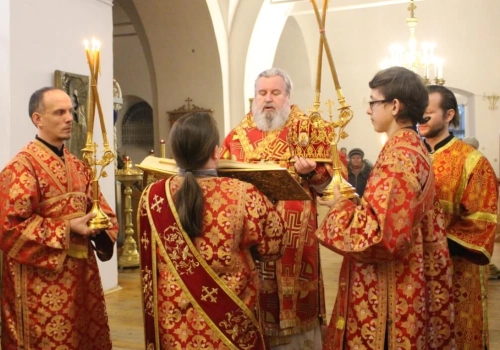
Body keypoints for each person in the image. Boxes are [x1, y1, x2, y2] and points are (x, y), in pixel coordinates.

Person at [317, 67, 455, 349]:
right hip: (408, 278)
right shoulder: (415, 147)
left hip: (391, 290)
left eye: (372, 101)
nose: (368, 110)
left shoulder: (399, 157)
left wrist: (340, 206)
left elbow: (381, 235)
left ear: (394, 106)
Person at [138, 112, 286, 350]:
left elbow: (150, 266)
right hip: (229, 321)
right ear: (217, 152)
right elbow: (273, 249)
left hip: (175, 327)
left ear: (175, 154)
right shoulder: (244, 193)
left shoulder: (152, 196)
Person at [221, 68, 333, 349]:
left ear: (287, 96)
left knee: (295, 305)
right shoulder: (236, 136)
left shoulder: (308, 129)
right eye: (262, 93)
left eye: (275, 92)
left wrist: (310, 174)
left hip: (294, 239)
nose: (268, 99)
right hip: (249, 236)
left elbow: (329, 186)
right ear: (254, 97)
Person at [0, 87, 118, 349]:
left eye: (71, 112)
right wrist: (66, 228)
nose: (69, 118)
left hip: (82, 279)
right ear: (37, 119)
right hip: (39, 286)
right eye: (60, 112)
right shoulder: (21, 168)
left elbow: (104, 211)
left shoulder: (78, 165)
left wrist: (100, 228)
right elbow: (10, 228)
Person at [419, 85, 498, 349]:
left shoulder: (472, 161)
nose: (420, 119)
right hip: (414, 273)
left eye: (427, 113)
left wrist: (433, 246)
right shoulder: (409, 156)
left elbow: (481, 224)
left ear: (449, 114)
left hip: (458, 273)